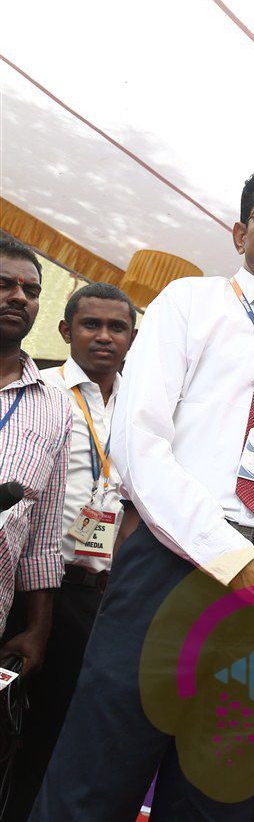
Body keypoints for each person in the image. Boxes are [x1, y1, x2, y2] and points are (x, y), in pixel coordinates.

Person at [33, 166, 254, 819]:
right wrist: (233, 558)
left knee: (221, 796)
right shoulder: (188, 304)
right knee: (97, 774)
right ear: (240, 231)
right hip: (172, 565)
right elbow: (138, 445)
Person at [2, 282, 135, 821]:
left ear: (132, 338)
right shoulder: (43, 394)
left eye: (117, 327)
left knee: (64, 731)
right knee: (14, 729)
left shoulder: (145, 406)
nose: (104, 337)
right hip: (34, 589)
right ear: (65, 330)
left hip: (102, 598)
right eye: (90, 325)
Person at [0, 237, 71, 688]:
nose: (19, 296)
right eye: (4, 284)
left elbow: (43, 535)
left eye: (31, 290)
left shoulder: (54, 406)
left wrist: (38, 630)